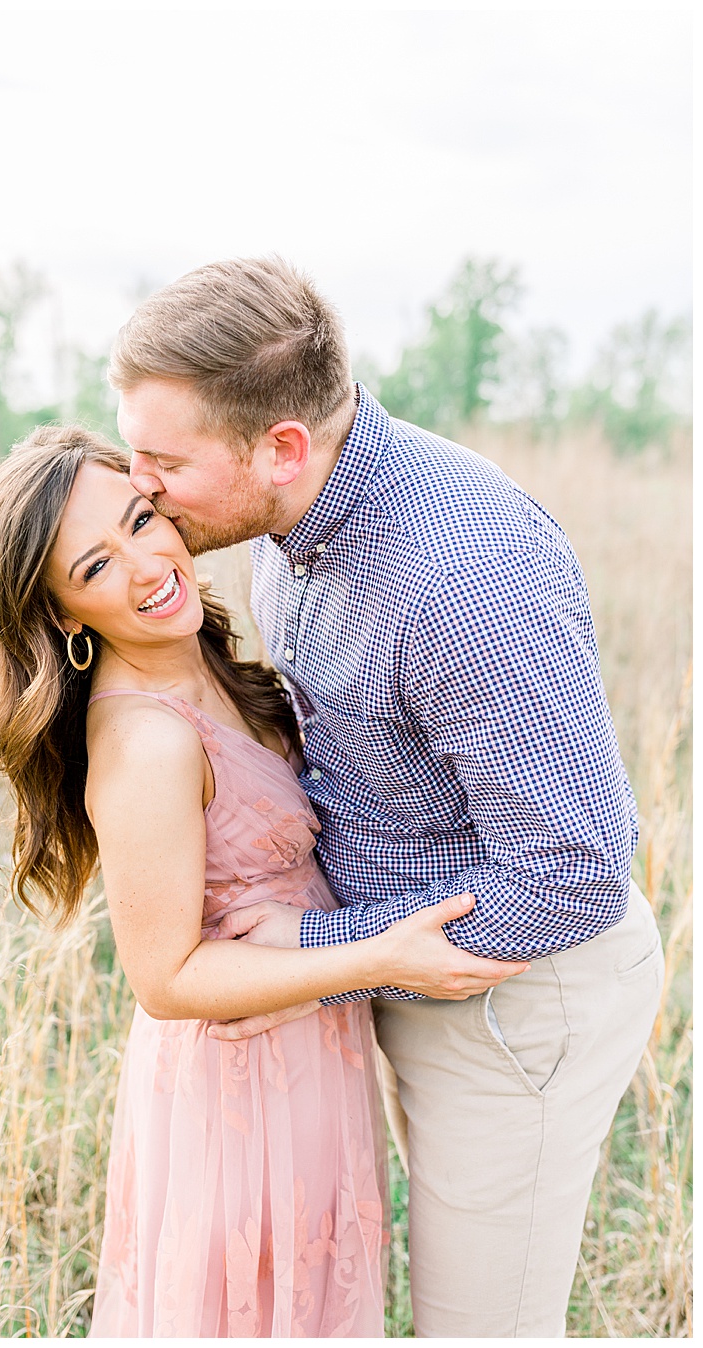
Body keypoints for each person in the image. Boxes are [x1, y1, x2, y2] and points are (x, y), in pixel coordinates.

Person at [106, 256, 663, 1337]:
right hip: (403, 976)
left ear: (283, 447)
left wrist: (322, 945)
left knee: (479, 1328)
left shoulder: (461, 574)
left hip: (515, 999)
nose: (138, 482)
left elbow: (573, 874)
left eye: (163, 458)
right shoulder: (292, 525)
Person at [0, 427, 527, 1335]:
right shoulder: (148, 741)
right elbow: (164, 978)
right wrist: (380, 956)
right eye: (97, 567)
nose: (149, 565)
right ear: (65, 615)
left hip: (307, 1054)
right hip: (238, 1094)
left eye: (143, 520)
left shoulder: (205, 664)